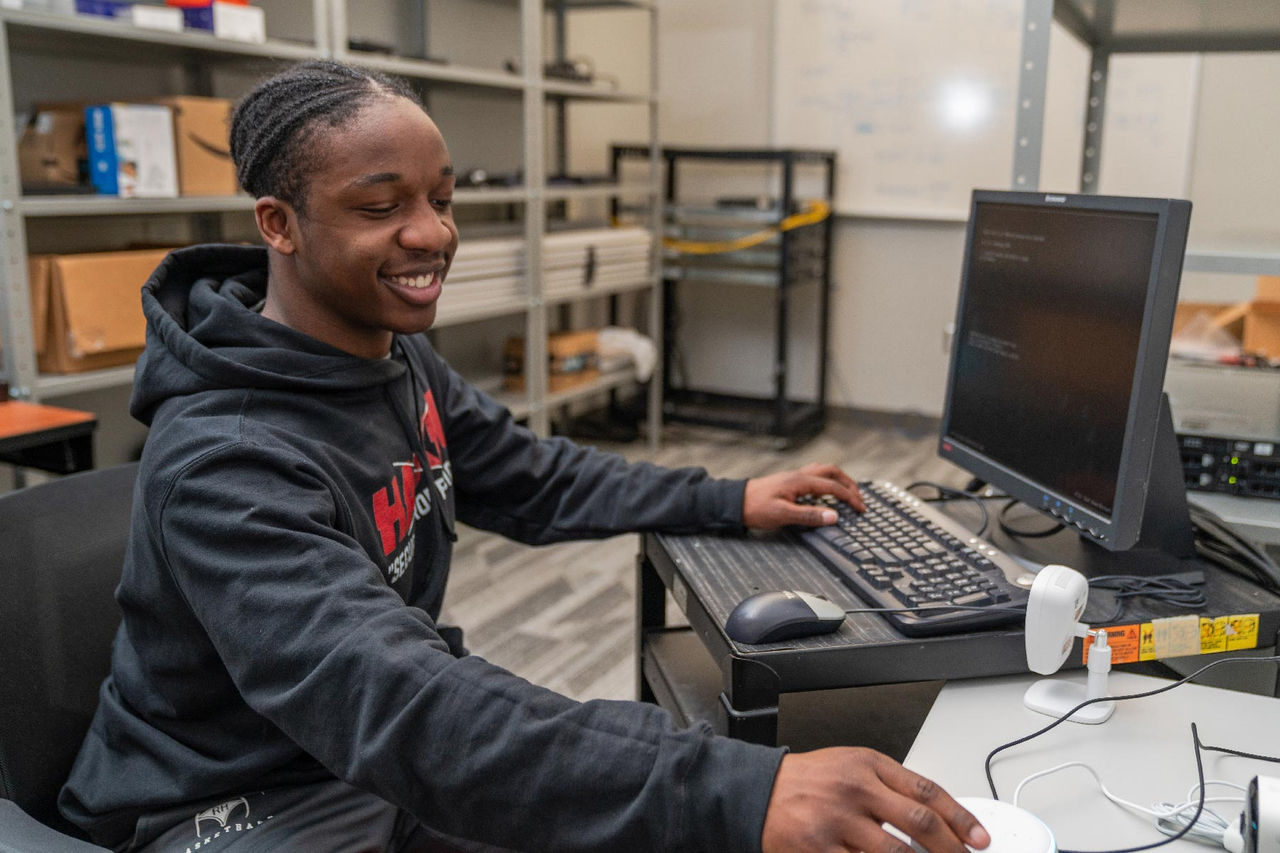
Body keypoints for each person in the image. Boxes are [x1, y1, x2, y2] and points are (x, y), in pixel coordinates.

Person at [58, 60, 989, 853]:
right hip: (230, 800)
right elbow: (399, 699)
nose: (432, 233)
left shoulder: (392, 355)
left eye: (442, 198)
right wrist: (741, 791)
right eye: (381, 206)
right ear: (278, 224)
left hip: (363, 753)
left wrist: (728, 496)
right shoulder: (225, 459)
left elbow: (531, 476)